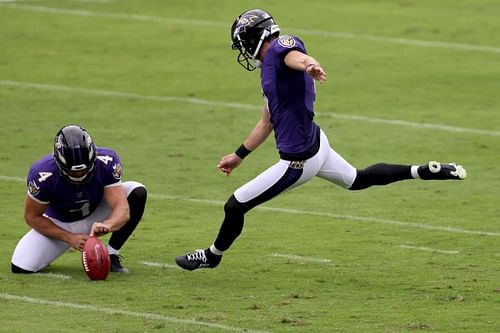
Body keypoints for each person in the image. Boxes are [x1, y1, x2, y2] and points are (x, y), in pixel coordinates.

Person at [175, 9, 466, 271]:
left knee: (235, 206)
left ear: (253, 38)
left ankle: (212, 256)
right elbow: (267, 121)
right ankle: (422, 171)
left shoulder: (279, 49)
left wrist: (310, 65)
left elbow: (296, 56)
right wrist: (239, 155)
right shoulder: (269, 70)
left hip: (298, 162)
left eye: (243, 42)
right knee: (358, 179)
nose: (243, 49)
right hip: (317, 144)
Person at [11, 125, 147, 274]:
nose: (80, 174)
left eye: (84, 169)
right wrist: (68, 237)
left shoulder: (107, 161)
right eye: (74, 172)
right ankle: (50, 251)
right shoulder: (42, 174)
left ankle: (111, 254)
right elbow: (32, 217)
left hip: (96, 213)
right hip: (61, 223)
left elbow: (122, 208)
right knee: (21, 266)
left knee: (137, 191)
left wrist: (108, 224)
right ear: (59, 162)